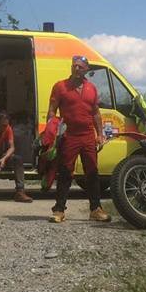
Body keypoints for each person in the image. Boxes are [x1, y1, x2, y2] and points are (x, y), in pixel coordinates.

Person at [46, 54, 110, 223]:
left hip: (88, 135)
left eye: (80, 67)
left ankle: (95, 209)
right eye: (74, 65)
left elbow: (95, 113)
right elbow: (52, 110)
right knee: (66, 172)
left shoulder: (92, 89)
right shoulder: (60, 86)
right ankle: (59, 210)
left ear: (86, 70)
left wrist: (100, 134)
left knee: (92, 172)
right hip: (69, 135)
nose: (76, 68)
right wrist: (51, 130)